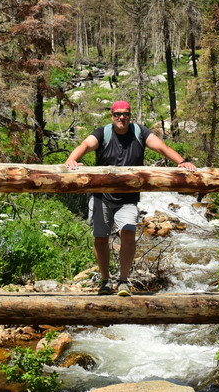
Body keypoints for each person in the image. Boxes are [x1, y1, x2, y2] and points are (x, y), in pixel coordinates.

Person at [63, 100, 196, 296]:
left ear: (130, 115)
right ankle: (105, 281)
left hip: (128, 198)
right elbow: (86, 144)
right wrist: (72, 159)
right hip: (102, 196)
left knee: (128, 234)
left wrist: (182, 162)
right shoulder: (103, 133)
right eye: (117, 114)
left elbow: (161, 147)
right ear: (112, 115)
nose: (121, 117)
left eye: (125, 114)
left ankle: (123, 281)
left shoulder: (139, 133)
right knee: (101, 238)